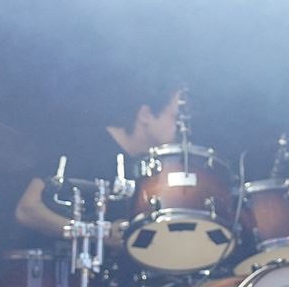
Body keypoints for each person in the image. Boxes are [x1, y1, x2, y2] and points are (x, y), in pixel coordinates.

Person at [13, 83, 182, 246]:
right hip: (57, 262)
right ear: (145, 114)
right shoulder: (81, 145)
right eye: (176, 117)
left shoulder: (153, 169)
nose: (182, 128)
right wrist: (98, 233)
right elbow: (27, 210)